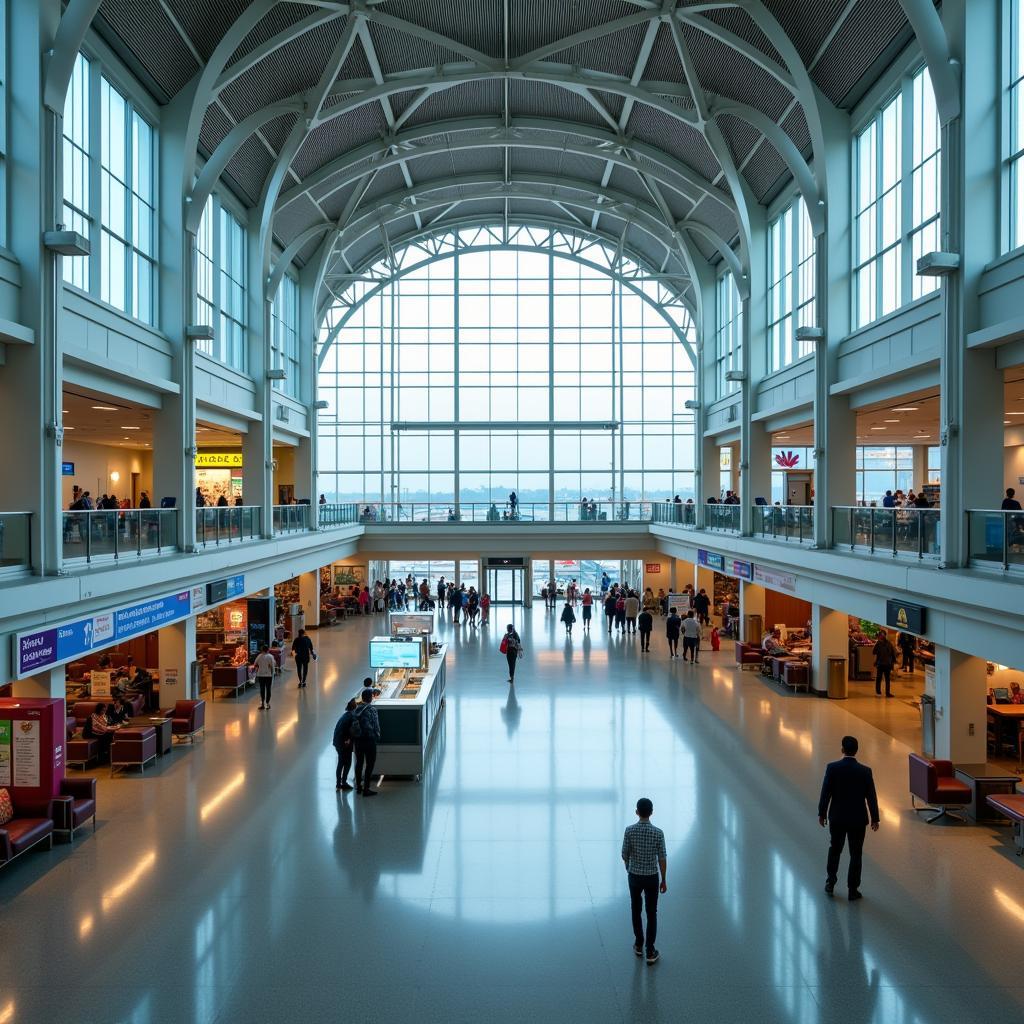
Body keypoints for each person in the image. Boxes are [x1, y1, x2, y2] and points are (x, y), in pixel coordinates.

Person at [817, 735, 880, 900]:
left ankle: (831, 882)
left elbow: (826, 793)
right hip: (858, 820)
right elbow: (871, 797)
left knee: (835, 850)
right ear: (857, 751)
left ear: (842, 749)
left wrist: (822, 813)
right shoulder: (865, 771)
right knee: (856, 854)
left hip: (837, 818)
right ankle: (853, 889)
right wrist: (875, 818)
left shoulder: (832, 768)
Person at [621, 797, 667, 965]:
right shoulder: (658, 833)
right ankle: (650, 950)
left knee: (636, 909)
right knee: (651, 912)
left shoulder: (629, 831)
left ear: (636, 812)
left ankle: (638, 944)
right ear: (652, 812)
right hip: (651, 878)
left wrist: (629, 868)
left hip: (634, 876)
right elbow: (662, 858)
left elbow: (624, 854)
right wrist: (664, 879)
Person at [351, 684, 381, 797]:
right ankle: (366, 789)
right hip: (369, 740)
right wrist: (377, 737)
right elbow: (376, 726)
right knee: (369, 764)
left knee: (359, 763)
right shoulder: (372, 709)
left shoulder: (356, 709)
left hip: (358, 741)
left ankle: (358, 786)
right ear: (371, 698)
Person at [332, 699, 357, 791]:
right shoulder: (352, 716)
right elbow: (350, 730)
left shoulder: (345, 715)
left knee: (341, 762)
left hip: (337, 742)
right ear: (354, 707)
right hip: (344, 743)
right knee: (347, 763)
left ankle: (339, 784)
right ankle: (343, 782)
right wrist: (348, 740)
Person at [873, 631, 897, 697]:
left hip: (884, 663)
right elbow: (893, 653)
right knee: (883, 679)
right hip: (884, 663)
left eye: (881, 635)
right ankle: (884, 693)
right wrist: (894, 661)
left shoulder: (881, 643)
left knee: (882, 679)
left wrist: (894, 661)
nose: (881, 636)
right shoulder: (887, 643)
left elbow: (874, 652)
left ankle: (882, 693)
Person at [254, 644, 276, 710]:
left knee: (262, 689)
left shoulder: (259, 656)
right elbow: (272, 666)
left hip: (260, 675)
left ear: (262, 650)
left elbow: (255, 664)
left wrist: (259, 666)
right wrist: (273, 673)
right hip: (268, 675)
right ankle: (268, 704)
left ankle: (262, 704)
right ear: (268, 650)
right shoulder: (270, 656)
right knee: (268, 689)